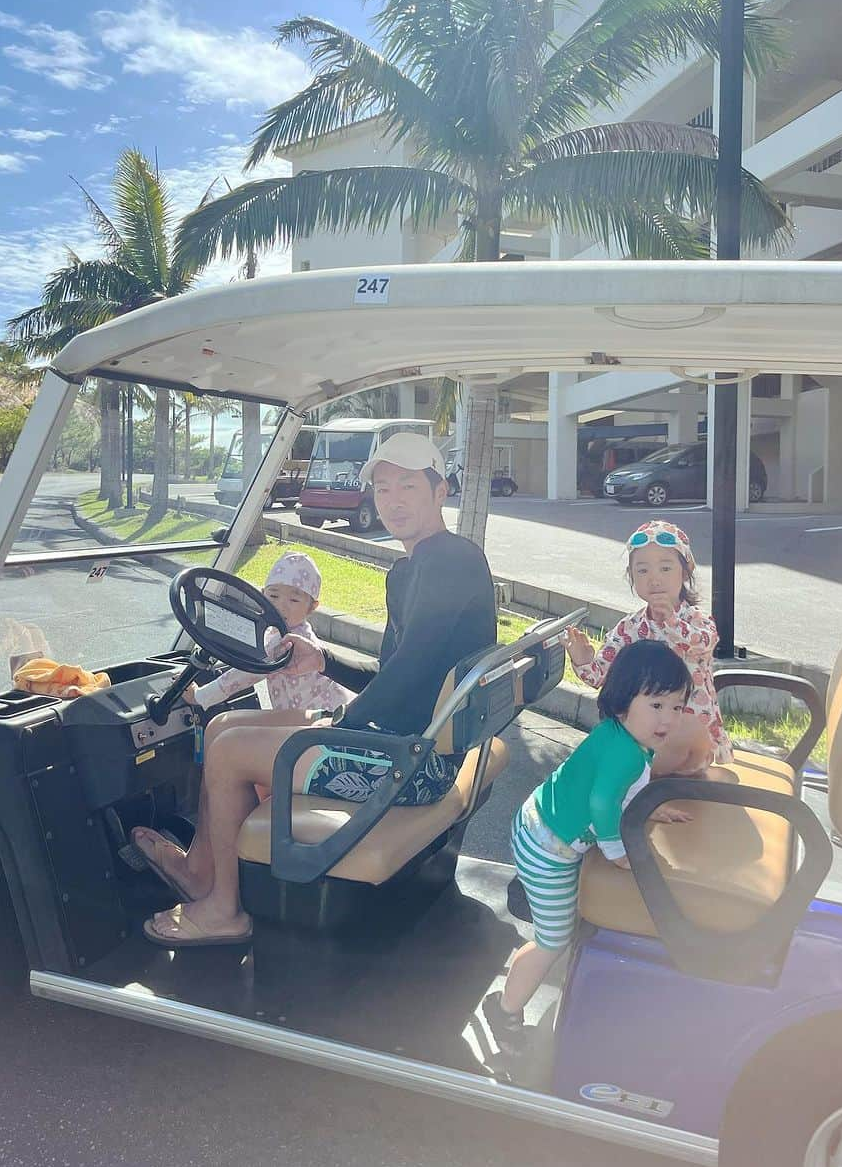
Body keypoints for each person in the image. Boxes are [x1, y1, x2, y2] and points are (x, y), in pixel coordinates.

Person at [136, 432, 497, 947]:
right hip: (409, 740)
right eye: (384, 487)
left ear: (441, 492)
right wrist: (323, 660)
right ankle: (199, 871)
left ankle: (223, 910)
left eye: (409, 486)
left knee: (233, 752)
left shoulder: (448, 561)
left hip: (410, 765)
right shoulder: (414, 568)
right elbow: (397, 669)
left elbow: (410, 673)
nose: (393, 500)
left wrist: (341, 729)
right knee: (221, 726)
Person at [483, 640, 692, 1058]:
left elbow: (619, 794)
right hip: (548, 846)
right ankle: (503, 1011)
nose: (668, 718)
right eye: (656, 705)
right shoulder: (624, 751)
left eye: (677, 706)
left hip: (548, 827)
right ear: (622, 703)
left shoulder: (626, 739)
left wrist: (649, 811)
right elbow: (602, 801)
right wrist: (617, 853)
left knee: (564, 925)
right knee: (552, 938)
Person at [564, 520, 732, 775]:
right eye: (642, 571)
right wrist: (582, 660)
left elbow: (703, 643)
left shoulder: (697, 619)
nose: (654, 579)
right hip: (644, 743)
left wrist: (672, 623)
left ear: (686, 572)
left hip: (692, 743)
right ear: (631, 577)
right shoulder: (629, 627)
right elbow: (601, 676)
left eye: (665, 568)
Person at [188, 550, 354, 716]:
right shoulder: (278, 632)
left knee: (224, 727)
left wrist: (200, 696)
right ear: (262, 595)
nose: (281, 606)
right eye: (273, 595)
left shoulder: (289, 643)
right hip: (306, 714)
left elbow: (242, 676)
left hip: (319, 719)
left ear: (312, 607)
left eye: (294, 600)